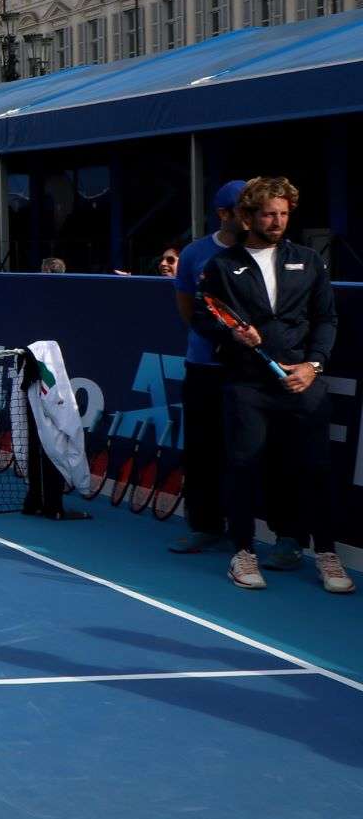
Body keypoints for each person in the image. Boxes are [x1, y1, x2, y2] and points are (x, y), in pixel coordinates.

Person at [191, 177, 348, 594]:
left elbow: (326, 319)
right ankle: (243, 552)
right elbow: (204, 317)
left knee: (315, 468)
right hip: (247, 385)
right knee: (243, 468)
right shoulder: (222, 266)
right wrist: (232, 335)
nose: (277, 221)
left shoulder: (309, 260)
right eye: (268, 214)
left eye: (283, 214)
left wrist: (313, 366)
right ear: (248, 216)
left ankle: (327, 554)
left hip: (303, 383)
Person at [165, 180, 245, 555]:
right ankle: (205, 525)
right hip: (203, 366)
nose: (250, 218)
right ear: (223, 214)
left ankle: (251, 530)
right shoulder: (197, 254)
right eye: (241, 211)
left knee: (248, 450)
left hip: (250, 371)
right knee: (202, 449)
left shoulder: (265, 252)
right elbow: (187, 311)